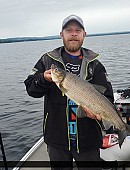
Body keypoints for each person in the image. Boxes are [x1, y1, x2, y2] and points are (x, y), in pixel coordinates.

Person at [24, 14, 114, 169]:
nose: (73, 33)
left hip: (88, 139)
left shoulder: (95, 65)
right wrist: (43, 79)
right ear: (61, 34)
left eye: (78, 30)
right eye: (69, 30)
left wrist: (98, 114)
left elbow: (107, 97)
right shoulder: (47, 60)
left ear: (84, 35)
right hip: (57, 139)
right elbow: (31, 89)